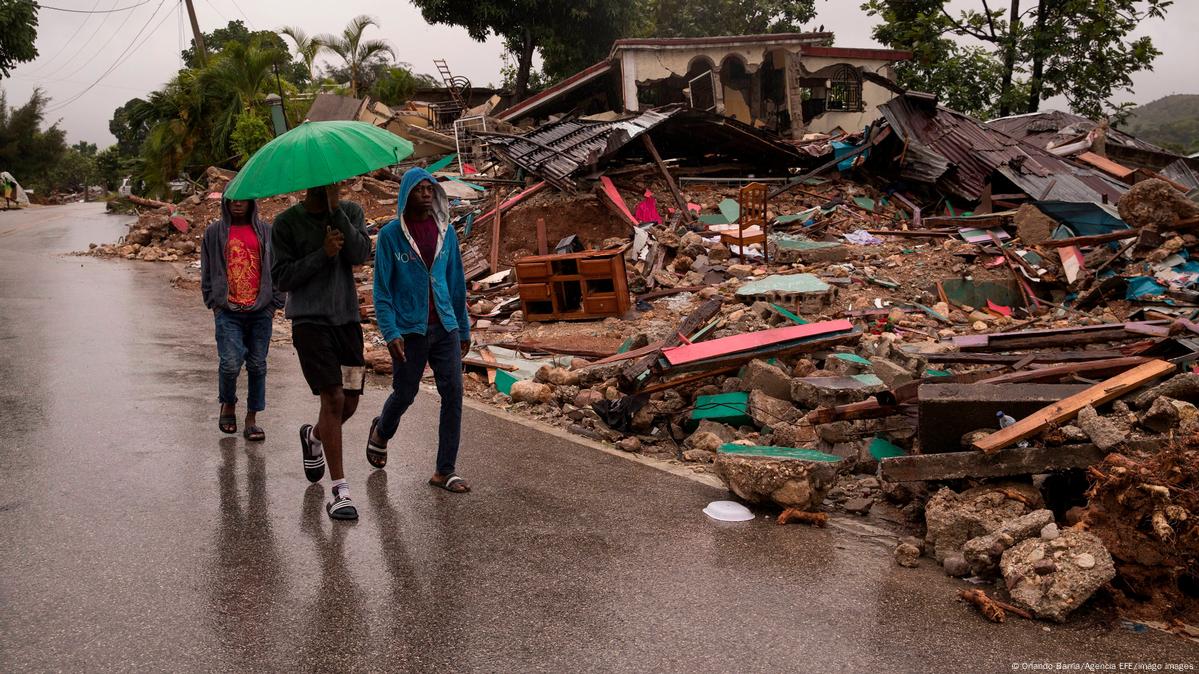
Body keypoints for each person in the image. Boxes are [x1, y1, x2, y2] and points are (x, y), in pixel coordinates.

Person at [271, 182, 372, 520]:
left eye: (335, 182)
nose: (332, 186)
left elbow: (360, 254)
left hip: (347, 321)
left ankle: (314, 436)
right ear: (308, 184)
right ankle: (340, 491)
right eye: (324, 183)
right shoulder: (286, 223)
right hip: (309, 323)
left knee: (352, 399)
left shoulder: (351, 212)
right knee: (333, 398)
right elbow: (282, 278)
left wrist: (336, 211)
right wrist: (322, 254)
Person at [368, 168, 471, 493]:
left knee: (453, 393)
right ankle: (382, 431)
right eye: (420, 189)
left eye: (431, 189)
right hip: (409, 330)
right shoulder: (390, 236)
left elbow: (456, 282)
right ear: (406, 195)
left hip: (444, 325)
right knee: (405, 392)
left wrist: (463, 326)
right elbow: (382, 291)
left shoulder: (447, 232)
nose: (427, 193)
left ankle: (445, 470)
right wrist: (390, 332)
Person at [200, 197, 285, 441]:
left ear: (252, 202)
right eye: (232, 200)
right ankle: (228, 403)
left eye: (243, 200)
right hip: (227, 310)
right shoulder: (215, 232)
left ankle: (252, 417)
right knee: (229, 363)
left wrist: (274, 303)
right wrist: (213, 302)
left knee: (258, 365)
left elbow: (278, 266)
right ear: (225, 202)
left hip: (260, 310)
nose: (237, 204)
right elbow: (207, 268)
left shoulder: (266, 231)